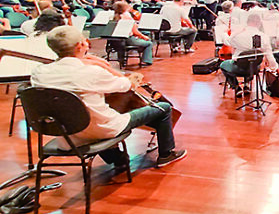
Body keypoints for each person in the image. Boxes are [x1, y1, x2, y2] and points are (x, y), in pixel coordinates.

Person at [30, 25, 187, 169]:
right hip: (99, 129)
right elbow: (124, 86)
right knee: (164, 108)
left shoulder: (39, 73)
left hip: (65, 133)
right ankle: (166, 154)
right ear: (80, 45)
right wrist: (124, 75)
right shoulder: (90, 72)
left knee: (91, 109)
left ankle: (118, 159)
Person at [220, 13, 279, 97]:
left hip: (239, 68)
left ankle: (236, 87)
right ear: (259, 23)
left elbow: (227, 41)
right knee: (251, 60)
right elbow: (269, 55)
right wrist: (276, 68)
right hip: (255, 68)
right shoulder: (264, 36)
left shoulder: (239, 35)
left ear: (247, 22)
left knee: (223, 64)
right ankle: (247, 84)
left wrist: (225, 33)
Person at [112, 1, 154, 66]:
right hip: (128, 40)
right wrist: (144, 37)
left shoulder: (113, 15)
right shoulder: (127, 16)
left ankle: (121, 60)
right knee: (149, 43)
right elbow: (134, 31)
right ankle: (145, 61)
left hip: (116, 41)